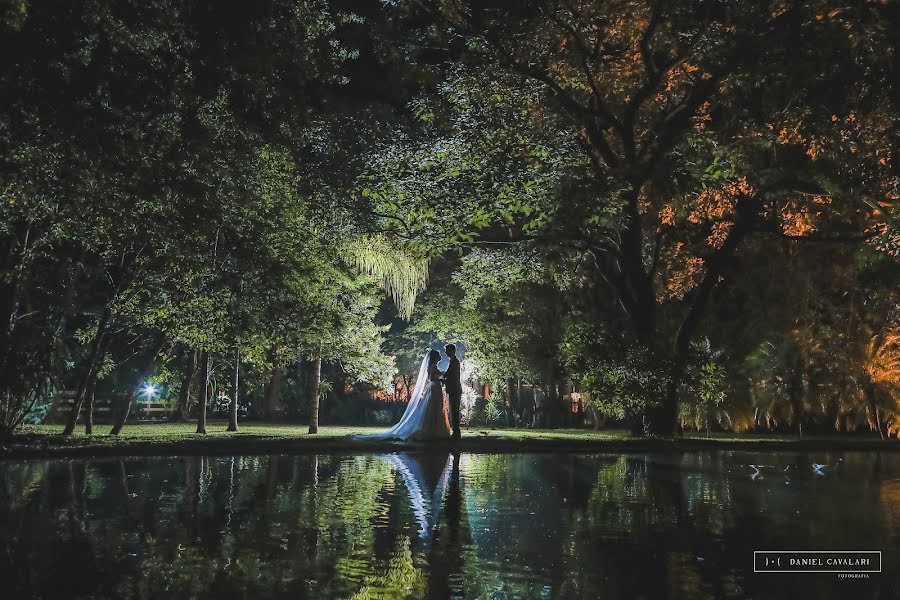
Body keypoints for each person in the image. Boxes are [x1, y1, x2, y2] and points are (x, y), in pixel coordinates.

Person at [359, 349, 451, 441]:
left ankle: (434, 430)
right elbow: (431, 378)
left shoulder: (432, 366)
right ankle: (434, 431)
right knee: (434, 408)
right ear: (435, 357)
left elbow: (432, 377)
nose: (441, 356)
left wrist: (440, 378)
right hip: (435, 388)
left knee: (434, 408)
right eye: (439, 355)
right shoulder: (433, 366)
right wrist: (441, 379)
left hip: (435, 388)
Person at [444, 344, 462, 440]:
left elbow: (452, 377)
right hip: (454, 389)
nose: (446, 352)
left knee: (455, 411)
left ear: (452, 351)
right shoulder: (453, 361)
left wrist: (443, 380)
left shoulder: (455, 362)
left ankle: (456, 433)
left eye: (447, 350)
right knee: (453, 410)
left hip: (455, 389)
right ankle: (456, 432)